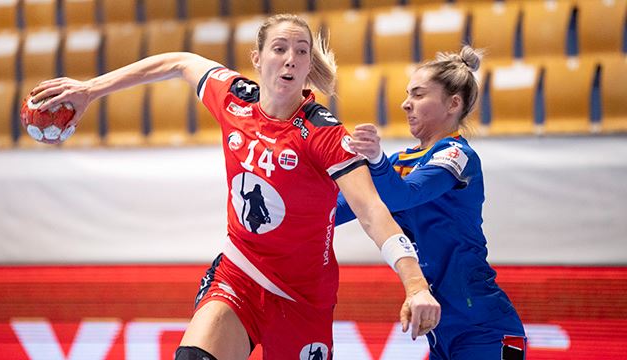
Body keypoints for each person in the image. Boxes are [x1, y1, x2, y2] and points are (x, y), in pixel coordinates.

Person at [30, 14, 440, 360]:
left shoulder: (323, 133)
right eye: (280, 48)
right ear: (257, 58)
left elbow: (371, 211)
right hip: (240, 273)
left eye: (302, 51)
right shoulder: (233, 100)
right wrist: (90, 89)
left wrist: (416, 285)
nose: (291, 58)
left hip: (304, 298)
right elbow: (177, 61)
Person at [335, 46, 526, 360]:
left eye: (419, 95)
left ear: (453, 103)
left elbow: (406, 195)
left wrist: (376, 160)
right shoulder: (397, 164)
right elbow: (339, 209)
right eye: (408, 94)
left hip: (483, 327)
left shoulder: (458, 155)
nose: (405, 103)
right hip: (440, 332)